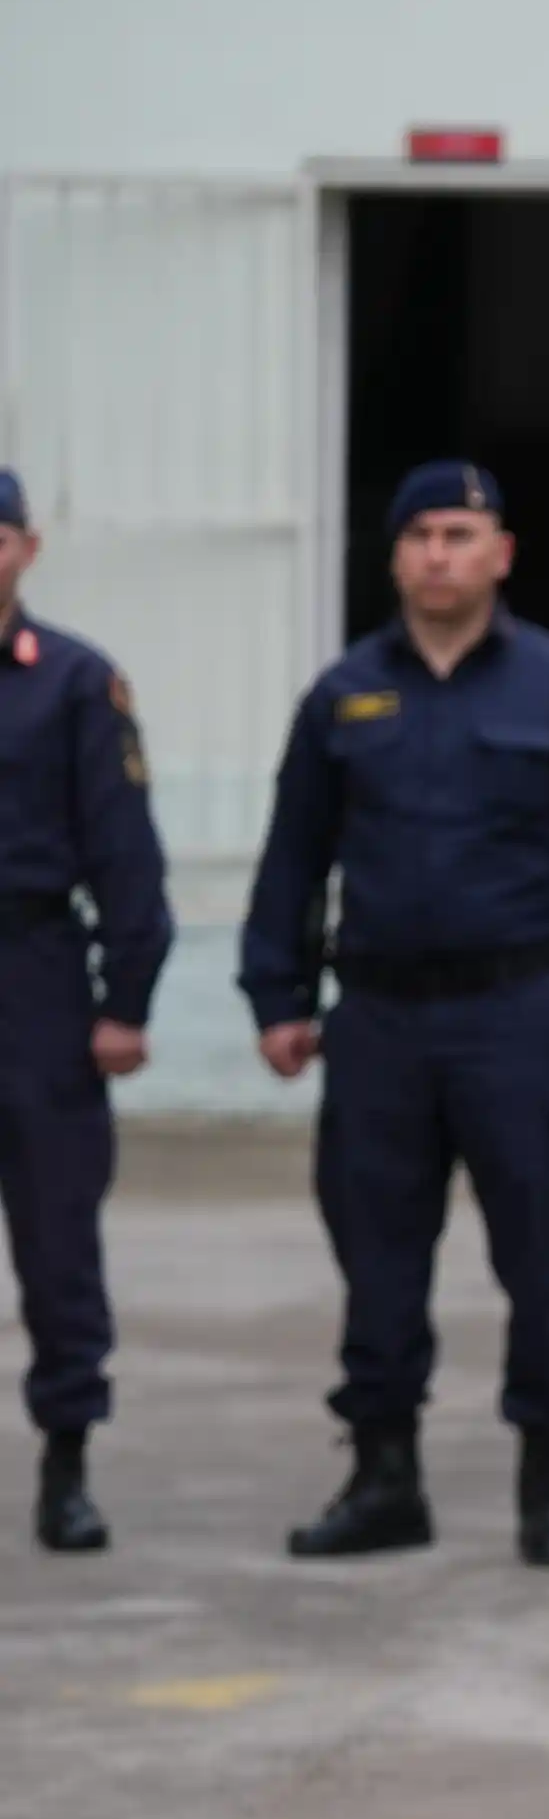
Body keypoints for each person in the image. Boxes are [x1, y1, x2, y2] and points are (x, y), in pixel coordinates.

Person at [240, 460, 549, 1567]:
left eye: (460, 534)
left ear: (501, 555)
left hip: (520, 1012)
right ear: (394, 557)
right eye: (419, 534)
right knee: (377, 1255)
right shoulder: (343, 696)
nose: (439, 554)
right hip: (378, 1021)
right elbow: (294, 857)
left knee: (547, 1250)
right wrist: (278, 995)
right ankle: (385, 1481)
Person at [0, 468, 172, 1551]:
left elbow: (124, 854)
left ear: (26, 547)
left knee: (58, 1237)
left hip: (32, 977)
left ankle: (66, 1464)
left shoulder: (72, 683)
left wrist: (125, 999)